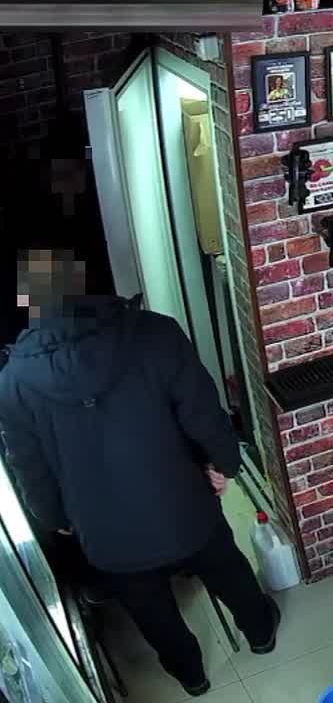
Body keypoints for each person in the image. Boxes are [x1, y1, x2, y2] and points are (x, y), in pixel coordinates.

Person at [0, 250, 281, 696]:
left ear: (25, 301)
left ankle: (191, 676)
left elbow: (28, 465)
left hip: (105, 529)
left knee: (149, 608)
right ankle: (261, 631)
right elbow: (203, 412)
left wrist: (57, 517)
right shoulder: (154, 332)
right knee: (225, 566)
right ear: (82, 283)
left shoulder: (12, 381)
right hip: (182, 501)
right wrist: (223, 463)